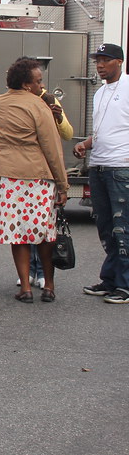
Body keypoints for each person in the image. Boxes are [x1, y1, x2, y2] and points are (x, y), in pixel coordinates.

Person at [0, 57, 69, 303]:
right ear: (25, 84)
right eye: (38, 81)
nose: (41, 86)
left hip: (8, 176)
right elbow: (52, 147)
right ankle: (49, 286)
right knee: (43, 233)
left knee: (17, 233)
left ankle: (25, 288)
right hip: (37, 176)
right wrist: (62, 185)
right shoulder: (38, 105)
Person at [73, 43, 129, 303]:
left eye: (105, 60)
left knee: (123, 229)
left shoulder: (128, 87)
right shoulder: (99, 93)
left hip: (121, 168)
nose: (100, 65)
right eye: (97, 61)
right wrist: (85, 144)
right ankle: (109, 281)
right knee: (106, 227)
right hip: (99, 166)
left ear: (119, 61)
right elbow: (104, 132)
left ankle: (124, 285)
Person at [27, 86, 74, 287]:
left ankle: (41, 272)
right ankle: (29, 269)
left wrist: (59, 119)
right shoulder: (18, 99)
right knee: (26, 223)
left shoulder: (49, 99)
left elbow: (68, 134)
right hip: (26, 169)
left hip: (47, 171)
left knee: (44, 225)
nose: (38, 85)